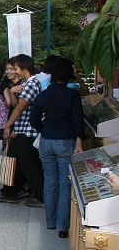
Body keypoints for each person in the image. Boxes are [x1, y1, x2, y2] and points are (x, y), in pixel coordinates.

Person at [30, 58, 85, 239]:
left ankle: (50, 222)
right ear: (69, 76)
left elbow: (33, 119)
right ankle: (63, 226)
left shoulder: (43, 95)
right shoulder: (72, 95)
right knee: (65, 182)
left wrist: (44, 130)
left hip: (46, 141)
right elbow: (78, 121)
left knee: (50, 181)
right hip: (65, 141)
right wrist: (79, 142)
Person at [0, 54, 45, 207]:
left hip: (27, 130)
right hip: (22, 129)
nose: (13, 71)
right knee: (17, 163)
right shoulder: (25, 83)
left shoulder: (32, 83)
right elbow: (15, 104)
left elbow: (21, 107)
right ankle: (9, 192)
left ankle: (41, 197)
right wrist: (12, 91)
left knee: (30, 165)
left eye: (15, 68)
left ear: (25, 69)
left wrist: (8, 126)